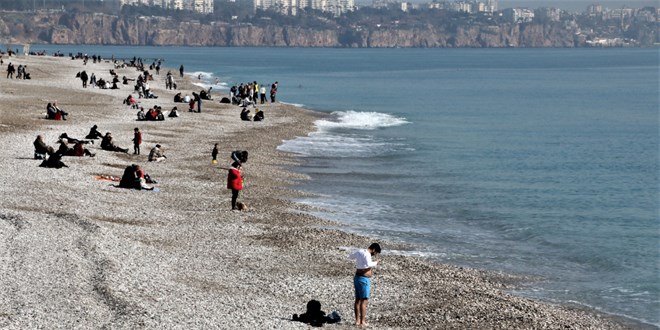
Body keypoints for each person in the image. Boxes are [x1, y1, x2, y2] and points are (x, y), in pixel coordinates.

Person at [349, 243, 381, 327]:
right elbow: (368, 264)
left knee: (357, 300)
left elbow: (351, 256)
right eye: (376, 252)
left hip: (357, 277)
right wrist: (376, 262)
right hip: (363, 279)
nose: (375, 254)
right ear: (373, 249)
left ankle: (357, 321)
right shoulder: (367, 254)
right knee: (364, 300)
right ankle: (362, 321)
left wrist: (360, 262)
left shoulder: (360, 251)